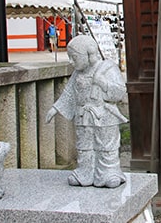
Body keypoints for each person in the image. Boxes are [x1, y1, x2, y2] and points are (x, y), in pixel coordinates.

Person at [45, 35, 127, 187]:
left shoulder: (108, 68)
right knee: (84, 145)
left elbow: (120, 92)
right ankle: (85, 172)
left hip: (104, 115)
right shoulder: (77, 73)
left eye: (74, 57)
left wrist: (103, 83)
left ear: (89, 54)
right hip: (83, 116)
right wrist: (55, 108)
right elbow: (68, 93)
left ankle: (109, 172)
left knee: (106, 146)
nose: (71, 61)